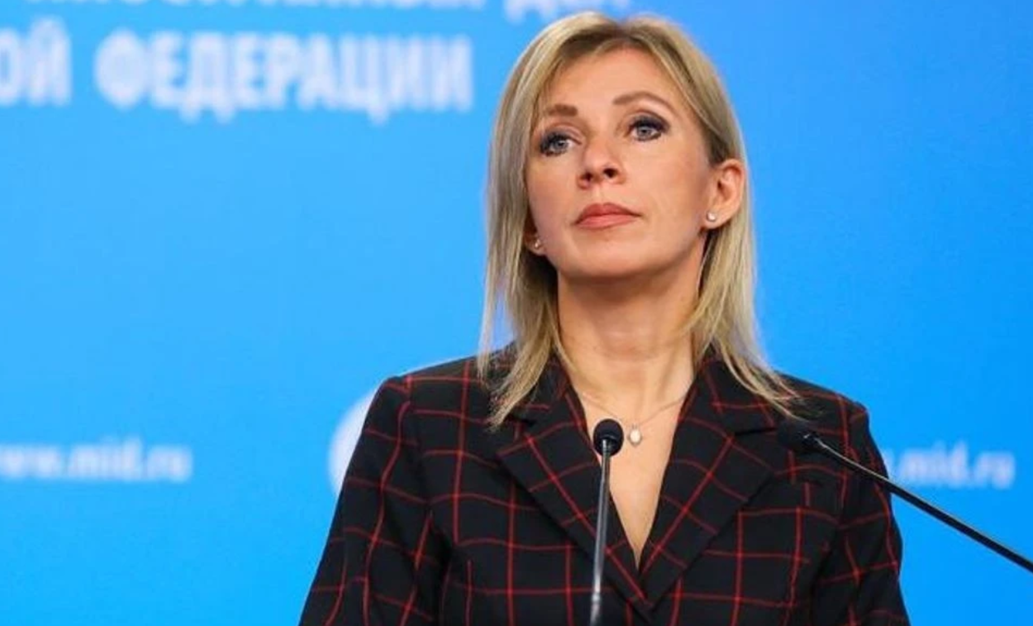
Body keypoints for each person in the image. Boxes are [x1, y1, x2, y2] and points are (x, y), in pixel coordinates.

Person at [299, 11, 908, 626]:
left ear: (720, 191)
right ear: (530, 220)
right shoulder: (429, 426)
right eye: (558, 141)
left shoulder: (822, 448)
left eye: (643, 128)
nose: (597, 162)